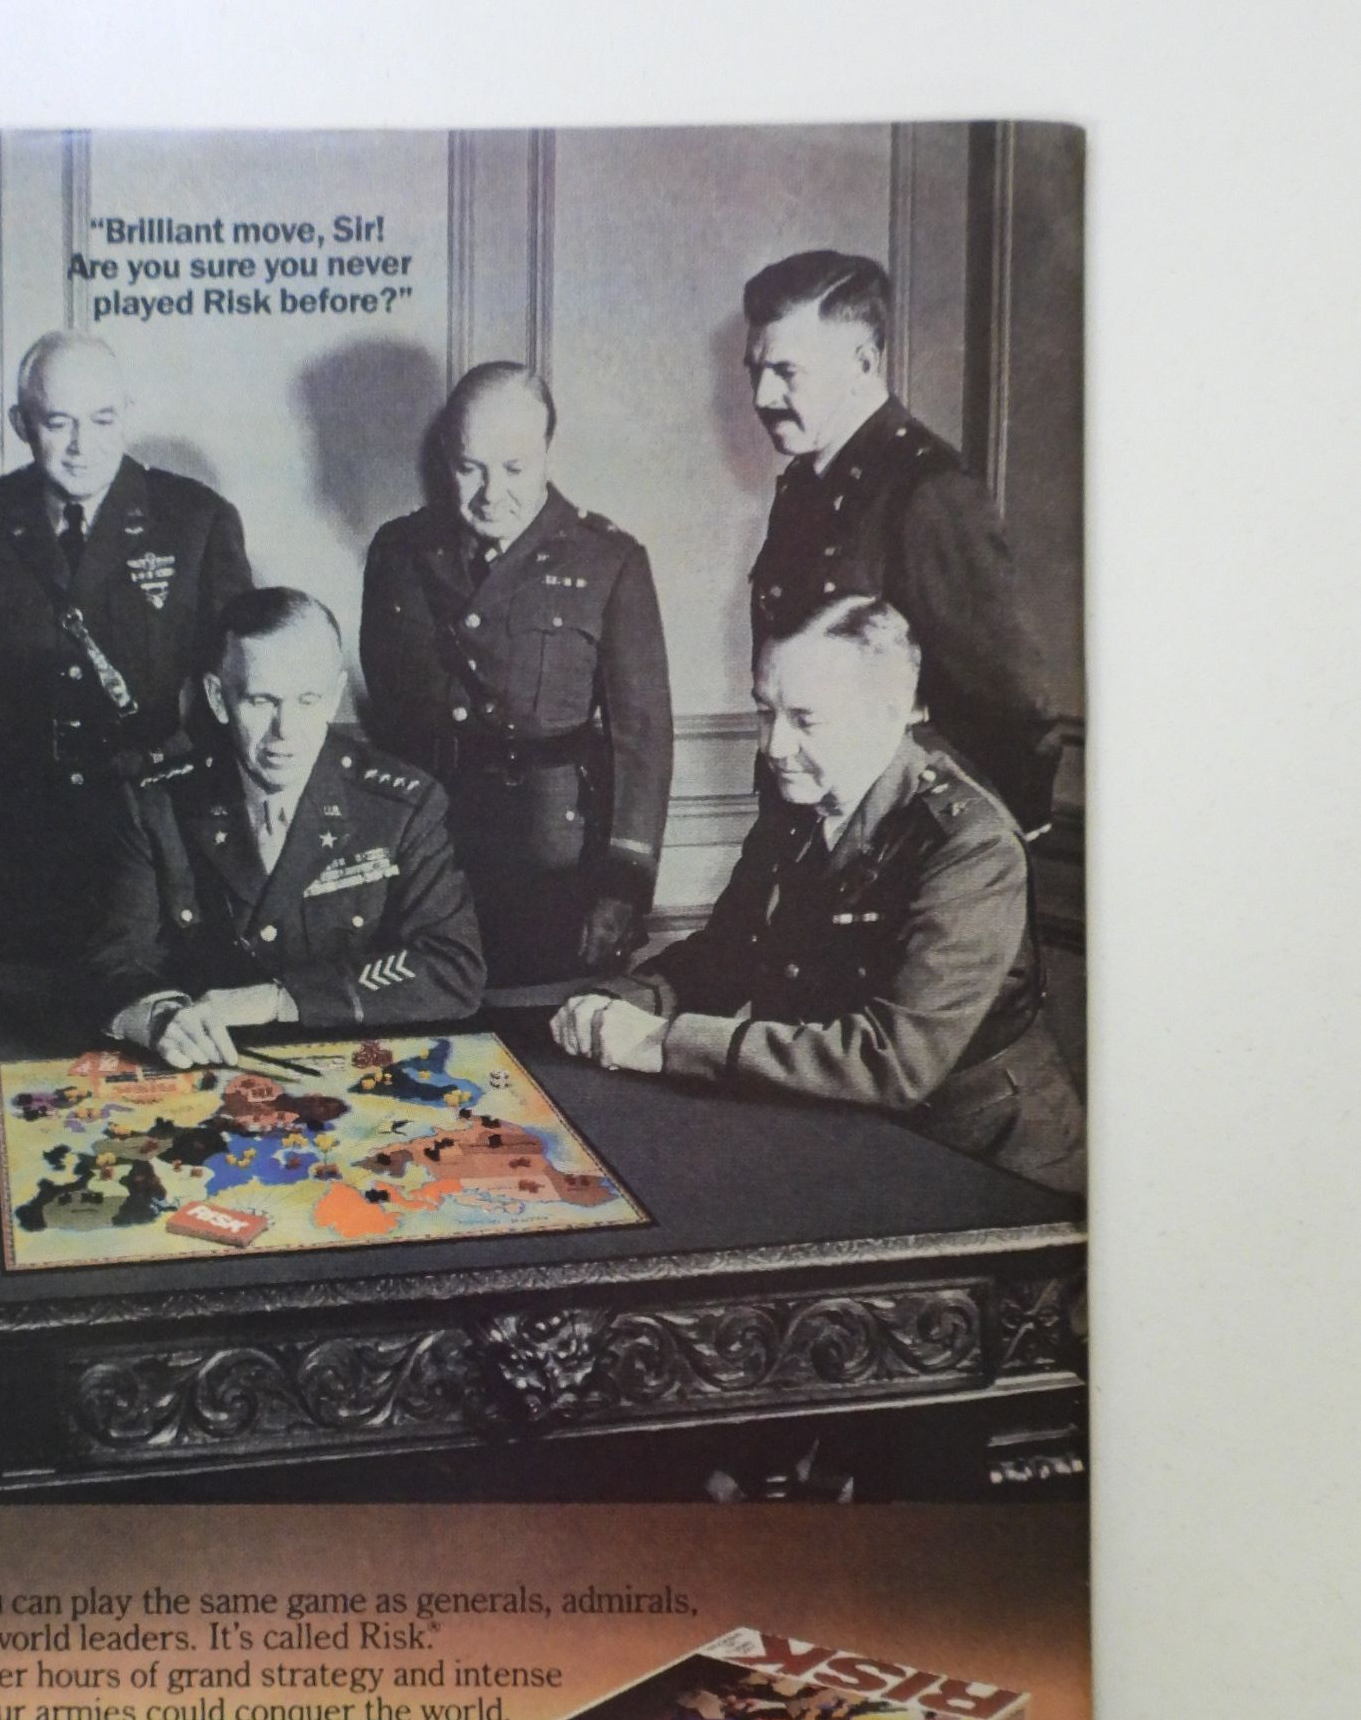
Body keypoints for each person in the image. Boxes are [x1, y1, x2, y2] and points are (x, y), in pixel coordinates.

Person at [551, 596, 1084, 1192]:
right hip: (852, 1131)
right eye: (765, 711)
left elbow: (892, 1062)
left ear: (892, 712)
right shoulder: (798, 803)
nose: (774, 746)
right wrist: (620, 1001)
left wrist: (664, 1043)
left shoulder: (969, 844)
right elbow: (729, 952)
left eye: (806, 720)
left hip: (983, 1165)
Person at [0, 331, 252, 1037]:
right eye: (58, 422)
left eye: (102, 420)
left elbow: (239, 685)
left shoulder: (193, 521)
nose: (82, 446)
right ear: (20, 423)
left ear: (126, 414)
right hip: (4, 851)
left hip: (142, 848)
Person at [359, 361, 673, 989]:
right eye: (470, 468)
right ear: (446, 457)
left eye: (514, 469)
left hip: (553, 863)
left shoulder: (607, 560)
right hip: (428, 853)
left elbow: (642, 738)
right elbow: (390, 721)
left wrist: (624, 885)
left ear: (548, 455)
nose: (490, 493)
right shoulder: (399, 551)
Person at [82, 588, 484, 1061]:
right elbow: (114, 959)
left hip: (353, 1065)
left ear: (334, 697)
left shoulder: (400, 806)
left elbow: (452, 967)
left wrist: (280, 998)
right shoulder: (156, 803)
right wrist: (158, 1015)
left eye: (307, 700)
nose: (285, 730)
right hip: (198, 1068)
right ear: (217, 698)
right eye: (261, 701)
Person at [743, 250, 1063, 834]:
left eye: (787, 372)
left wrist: (973, 849)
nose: (763, 395)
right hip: (809, 822)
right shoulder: (804, 487)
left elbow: (1010, 704)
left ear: (863, 363)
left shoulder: (927, 489)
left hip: (897, 836)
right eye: (755, 370)